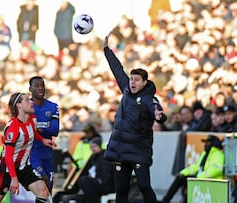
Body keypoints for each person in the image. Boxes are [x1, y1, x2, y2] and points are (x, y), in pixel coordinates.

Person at [103, 33, 167, 203]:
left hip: (138, 151)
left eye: (137, 80)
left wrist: (160, 117)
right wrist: (106, 50)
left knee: (144, 186)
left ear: (144, 82)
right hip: (120, 150)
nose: (132, 82)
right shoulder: (125, 89)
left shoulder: (148, 98)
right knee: (121, 190)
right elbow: (117, 69)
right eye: (131, 79)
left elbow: (156, 110)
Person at [0, 92, 56, 203]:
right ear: (19, 105)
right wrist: (14, 178)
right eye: (27, 100)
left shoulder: (32, 118)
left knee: (43, 191)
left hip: (25, 167)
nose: (31, 102)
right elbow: (8, 156)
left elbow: (32, 131)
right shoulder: (12, 128)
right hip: (8, 170)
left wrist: (43, 140)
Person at [161, 135, 224, 203]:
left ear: (214, 144)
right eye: (205, 143)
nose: (205, 145)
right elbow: (196, 166)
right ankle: (165, 200)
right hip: (200, 178)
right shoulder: (204, 154)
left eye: (208, 143)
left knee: (191, 183)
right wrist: (183, 172)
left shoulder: (218, 154)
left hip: (212, 181)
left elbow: (217, 169)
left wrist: (200, 176)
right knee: (180, 178)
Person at [29, 76, 60, 191]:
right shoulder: (26, 106)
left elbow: (55, 130)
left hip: (47, 153)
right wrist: (45, 126)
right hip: (32, 152)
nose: (40, 88)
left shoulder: (52, 107)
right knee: (43, 181)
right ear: (30, 89)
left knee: (48, 188)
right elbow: (27, 129)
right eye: (36, 86)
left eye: (42, 85)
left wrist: (39, 128)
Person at [76, 137, 115, 203]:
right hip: (98, 182)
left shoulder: (104, 157)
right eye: (91, 147)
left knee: (84, 181)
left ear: (99, 146)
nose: (92, 149)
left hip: (106, 185)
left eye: (94, 146)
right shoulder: (94, 157)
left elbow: (107, 175)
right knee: (82, 181)